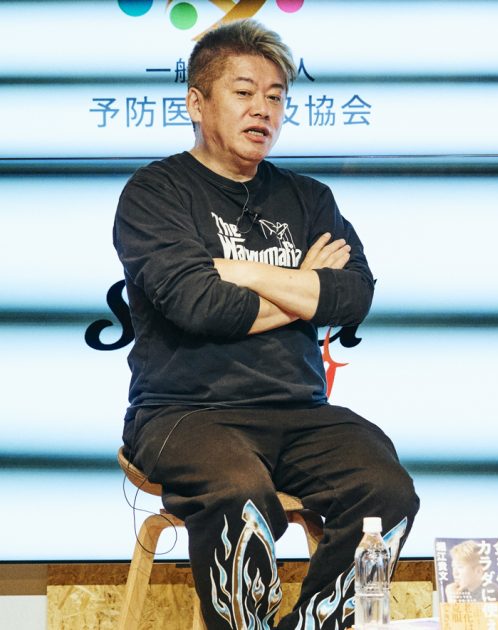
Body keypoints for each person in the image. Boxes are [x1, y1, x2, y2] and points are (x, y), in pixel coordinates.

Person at [114, 19, 419, 629]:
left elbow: (353, 296)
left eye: (276, 96)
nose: (263, 109)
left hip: (300, 412)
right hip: (183, 413)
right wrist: (305, 286)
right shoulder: (155, 194)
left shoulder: (310, 198)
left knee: (387, 492)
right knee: (238, 492)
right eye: (244, 92)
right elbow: (201, 306)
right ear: (196, 103)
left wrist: (242, 271)